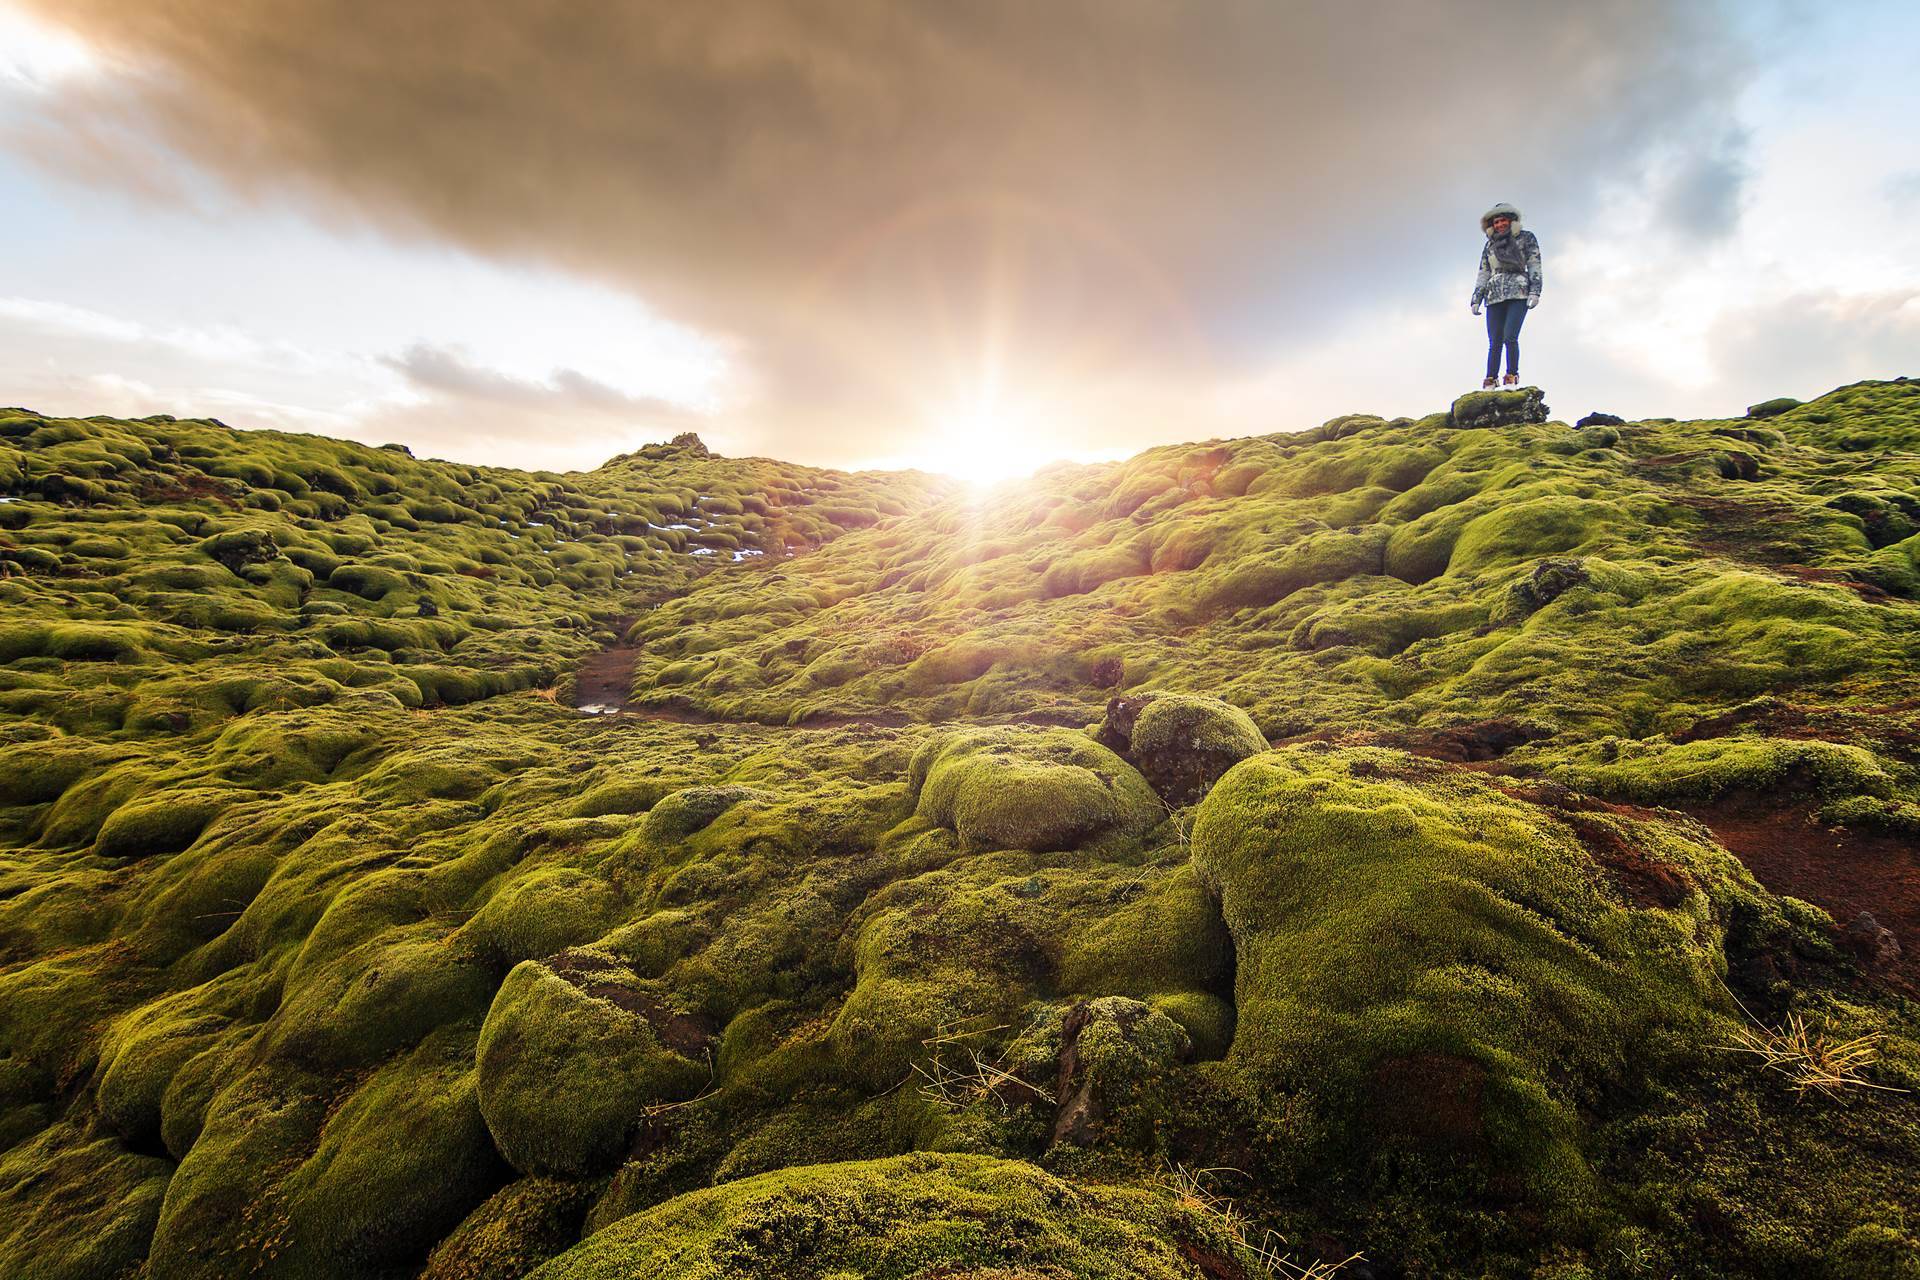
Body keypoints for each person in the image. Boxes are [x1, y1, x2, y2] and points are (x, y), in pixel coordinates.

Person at [1469, 202, 1542, 389]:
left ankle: (1511, 376)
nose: (1500, 224)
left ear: (1511, 221)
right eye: (1496, 221)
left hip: (1518, 291)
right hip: (1494, 294)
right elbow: (1483, 272)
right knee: (1494, 340)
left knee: (1511, 336)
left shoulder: (1526, 238)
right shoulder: (1489, 246)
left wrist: (1535, 291)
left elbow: (1534, 264)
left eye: (1503, 220)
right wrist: (1476, 298)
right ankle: (1490, 379)